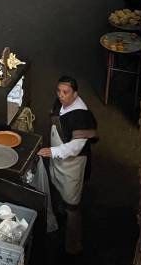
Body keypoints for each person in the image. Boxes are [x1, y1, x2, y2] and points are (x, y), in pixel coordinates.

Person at [38, 76, 98, 254]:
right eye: (59, 91)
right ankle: (60, 210)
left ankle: (73, 244)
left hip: (73, 165)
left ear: (75, 93)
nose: (61, 96)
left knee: (73, 204)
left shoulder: (81, 115)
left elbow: (76, 146)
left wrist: (53, 152)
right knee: (57, 184)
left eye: (65, 92)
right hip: (59, 161)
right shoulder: (60, 104)